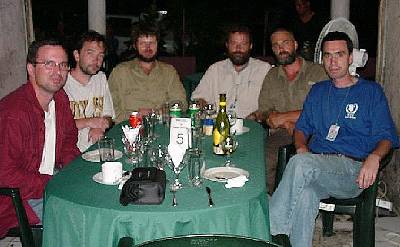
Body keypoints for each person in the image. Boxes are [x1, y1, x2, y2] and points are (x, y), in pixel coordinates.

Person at [269, 31, 399, 247]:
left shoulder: (371, 92)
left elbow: (387, 135)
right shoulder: (318, 91)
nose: (333, 61)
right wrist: (301, 146)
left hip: (352, 171)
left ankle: (269, 231)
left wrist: (375, 157)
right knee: (305, 195)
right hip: (317, 167)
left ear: (350, 58)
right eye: (328, 55)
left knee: (301, 164)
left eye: (339, 54)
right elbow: (301, 128)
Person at [0, 39, 80, 237]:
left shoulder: (60, 99)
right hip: (19, 199)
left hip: (50, 183)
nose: (57, 71)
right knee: (79, 222)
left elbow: (69, 142)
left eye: (63, 65)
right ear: (30, 68)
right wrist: (53, 183)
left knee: (97, 199)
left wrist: (73, 173)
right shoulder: (13, 113)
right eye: (49, 64)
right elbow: (5, 175)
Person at [252, 28, 327, 193]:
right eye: (276, 45)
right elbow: (264, 110)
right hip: (282, 133)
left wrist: (286, 117)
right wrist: (283, 123)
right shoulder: (272, 75)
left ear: (295, 44)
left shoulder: (318, 72)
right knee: (263, 159)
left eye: (285, 43)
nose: (281, 48)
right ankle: (272, 201)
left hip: (316, 130)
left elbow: (323, 109)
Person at [108, 23, 187, 122]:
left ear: (158, 45)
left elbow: (180, 102)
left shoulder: (169, 72)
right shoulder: (120, 72)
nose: (148, 47)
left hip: (161, 125)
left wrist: (160, 113)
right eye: (143, 43)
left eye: (152, 43)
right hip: (129, 127)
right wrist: (136, 116)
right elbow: (110, 108)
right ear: (135, 46)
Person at [191, 25, 271, 119]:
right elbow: (198, 98)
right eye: (233, 43)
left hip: (251, 124)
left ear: (250, 46)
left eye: (243, 44)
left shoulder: (264, 69)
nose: (238, 48)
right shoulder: (215, 69)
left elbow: (271, 105)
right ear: (227, 45)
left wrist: (256, 116)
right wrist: (202, 105)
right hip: (217, 124)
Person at [64, 30, 115, 152]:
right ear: (77, 55)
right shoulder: (62, 82)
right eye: (90, 53)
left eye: (100, 55)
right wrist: (91, 122)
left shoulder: (100, 78)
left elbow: (109, 117)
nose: (96, 60)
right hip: (69, 153)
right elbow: (60, 126)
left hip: (97, 149)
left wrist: (100, 127)